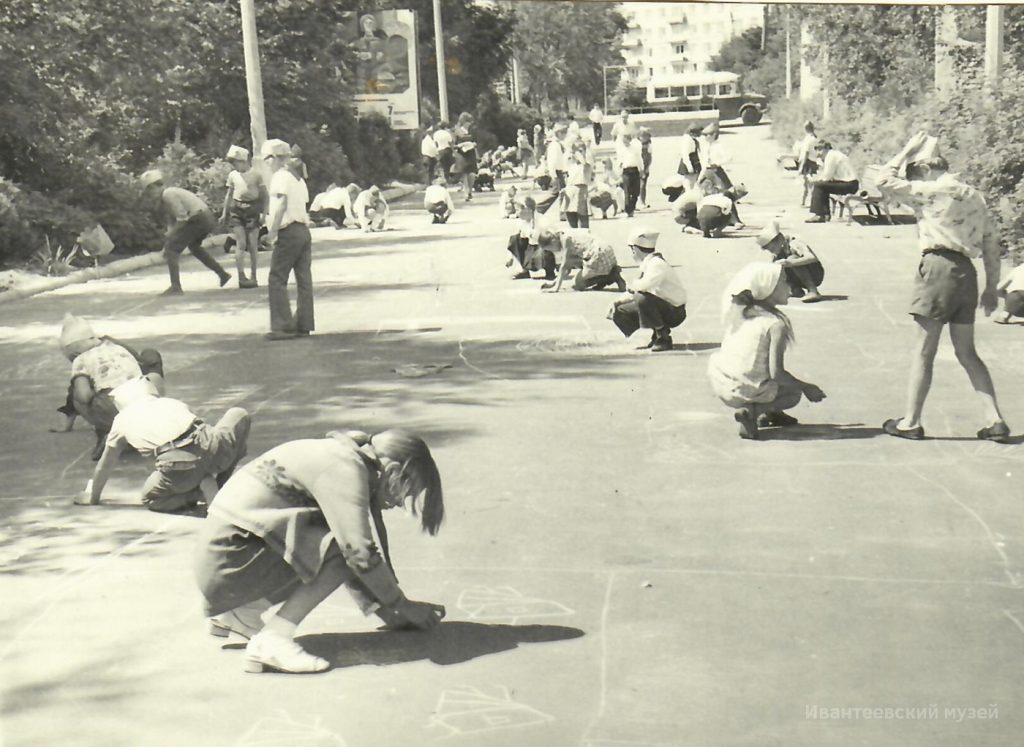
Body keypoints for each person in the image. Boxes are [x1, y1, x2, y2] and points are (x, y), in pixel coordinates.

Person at [193, 429, 446, 674]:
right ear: (392, 470)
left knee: (335, 537)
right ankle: (273, 640)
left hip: (222, 559)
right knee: (346, 549)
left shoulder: (345, 454)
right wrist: (401, 606)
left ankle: (241, 612)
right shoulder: (346, 468)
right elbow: (357, 554)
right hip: (230, 556)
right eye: (404, 490)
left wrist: (390, 612)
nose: (400, 503)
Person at [876, 132, 1010, 442]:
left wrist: (906, 148)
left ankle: (911, 421)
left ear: (924, 168)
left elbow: (882, 180)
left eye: (914, 171)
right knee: (967, 352)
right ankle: (995, 419)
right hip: (966, 273)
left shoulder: (930, 190)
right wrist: (991, 286)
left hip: (938, 268)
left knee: (924, 351)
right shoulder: (975, 196)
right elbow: (992, 244)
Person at [75, 376, 251, 513]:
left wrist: (93, 497)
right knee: (238, 413)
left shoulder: (121, 421)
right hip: (211, 444)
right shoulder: (171, 402)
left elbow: (105, 466)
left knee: (151, 499)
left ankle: (196, 491)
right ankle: (218, 485)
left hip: (178, 465)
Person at [707, 262, 826, 440]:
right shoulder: (775, 324)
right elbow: (777, 373)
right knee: (793, 392)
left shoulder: (741, 312)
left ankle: (770, 413)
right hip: (744, 390)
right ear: (769, 288)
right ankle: (753, 413)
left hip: (722, 384)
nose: (791, 288)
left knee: (760, 368)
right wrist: (807, 387)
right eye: (785, 282)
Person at [55, 314, 165, 460]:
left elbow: (83, 395)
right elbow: (141, 361)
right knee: (145, 379)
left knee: (82, 393)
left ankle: (108, 431)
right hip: (144, 401)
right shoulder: (116, 347)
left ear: (72, 351)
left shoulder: (81, 360)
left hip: (114, 406)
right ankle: (143, 429)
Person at [140, 170, 232, 296]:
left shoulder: (168, 194)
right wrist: (170, 235)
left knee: (172, 250)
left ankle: (176, 287)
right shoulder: (168, 194)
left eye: (149, 191)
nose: (150, 195)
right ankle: (222, 274)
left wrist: (170, 238)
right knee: (194, 247)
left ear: (153, 187)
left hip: (198, 219)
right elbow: (174, 221)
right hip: (205, 218)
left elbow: (182, 219)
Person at [262, 138, 315, 341]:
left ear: (276, 158)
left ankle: (282, 327)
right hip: (303, 230)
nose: (266, 162)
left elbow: (281, 204)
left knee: (277, 278)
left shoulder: (280, 177)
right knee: (303, 279)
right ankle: (304, 324)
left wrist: (272, 232)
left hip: (289, 231)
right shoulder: (298, 178)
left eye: (267, 158)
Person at [608, 229, 687, 352]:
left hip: (675, 312)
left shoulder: (656, 264)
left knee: (642, 298)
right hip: (665, 306)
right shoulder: (650, 263)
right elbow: (638, 289)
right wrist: (617, 301)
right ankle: (657, 331)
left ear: (635, 249)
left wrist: (631, 286)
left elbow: (643, 286)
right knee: (621, 309)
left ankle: (663, 336)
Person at [220, 145, 267, 289]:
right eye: (234, 163)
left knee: (252, 245)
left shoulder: (256, 175)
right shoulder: (233, 175)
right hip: (237, 209)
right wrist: (224, 213)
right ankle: (241, 276)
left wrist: (264, 214)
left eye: (237, 162)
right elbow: (229, 195)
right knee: (241, 244)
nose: (235, 165)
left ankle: (254, 275)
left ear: (244, 161)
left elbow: (265, 196)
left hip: (252, 209)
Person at [538, 228, 626, 293]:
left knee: (578, 284)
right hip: (605, 250)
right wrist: (554, 282)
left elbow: (564, 266)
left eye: (550, 249)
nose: (553, 251)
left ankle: (609, 276)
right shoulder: (564, 233)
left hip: (598, 255)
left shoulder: (565, 240)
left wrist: (556, 287)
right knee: (574, 261)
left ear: (553, 241)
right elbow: (568, 266)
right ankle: (607, 272)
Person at [756, 221, 825, 302]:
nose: (772, 251)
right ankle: (795, 289)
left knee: (792, 258)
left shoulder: (794, 243)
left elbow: (812, 257)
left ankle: (813, 290)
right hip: (798, 276)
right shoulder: (778, 252)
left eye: (772, 248)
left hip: (814, 274)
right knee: (777, 264)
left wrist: (790, 263)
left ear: (779, 239)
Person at [806, 141, 858, 223]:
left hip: (850, 184)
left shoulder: (831, 156)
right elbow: (826, 175)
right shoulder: (832, 155)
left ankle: (820, 215)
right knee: (822, 186)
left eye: (820, 149)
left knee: (819, 185)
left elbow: (826, 177)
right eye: (816, 150)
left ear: (827, 148)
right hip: (849, 183)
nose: (818, 153)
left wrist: (813, 180)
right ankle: (825, 214)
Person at [561, 138, 592, 229]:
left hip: (581, 189)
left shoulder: (587, 163)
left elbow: (586, 167)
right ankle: (573, 233)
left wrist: (580, 156)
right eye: (576, 151)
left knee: (582, 216)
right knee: (570, 214)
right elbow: (567, 176)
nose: (579, 153)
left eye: (581, 151)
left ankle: (584, 235)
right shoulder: (570, 163)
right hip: (570, 190)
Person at [616, 131, 644, 218]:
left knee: (636, 191)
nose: (625, 142)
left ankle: (632, 206)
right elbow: (619, 162)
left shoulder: (635, 148)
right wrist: (619, 173)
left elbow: (639, 159)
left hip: (635, 170)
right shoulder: (621, 150)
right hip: (626, 171)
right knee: (627, 191)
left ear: (629, 140)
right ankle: (628, 210)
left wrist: (641, 170)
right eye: (623, 141)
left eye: (626, 140)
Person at [452, 112, 478, 200]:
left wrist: (474, 144)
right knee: (464, 174)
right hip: (462, 154)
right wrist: (460, 146)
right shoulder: (457, 131)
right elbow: (453, 144)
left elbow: (476, 141)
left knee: (472, 174)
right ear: (463, 122)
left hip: (471, 153)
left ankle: (470, 190)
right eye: (468, 122)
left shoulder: (472, 131)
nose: (469, 124)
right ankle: (466, 192)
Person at [546, 125, 568, 192]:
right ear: (559, 133)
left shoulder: (558, 144)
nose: (565, 136)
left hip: (560, 172)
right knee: (556, 194)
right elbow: (552, 161)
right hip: (556, 173)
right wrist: (553, 175)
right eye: (564, 134)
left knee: (562, 194)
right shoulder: (554, 145)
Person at [637, 127, 653, 209]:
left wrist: (647, 168)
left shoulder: (648, 145)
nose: (644, 138)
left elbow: (650, 157)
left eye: (646, 136)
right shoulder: (636, 144)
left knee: (643, 185)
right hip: (637, 166)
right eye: (642, 136)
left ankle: (642, 201)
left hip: (645, 166)